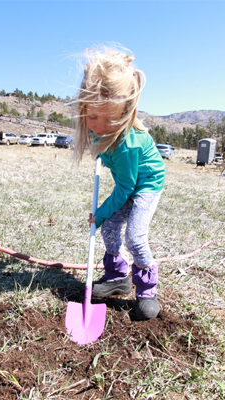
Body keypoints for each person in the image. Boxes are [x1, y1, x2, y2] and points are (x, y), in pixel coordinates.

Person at [74, 48, 166, 320]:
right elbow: (101, 141)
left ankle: (147, 291)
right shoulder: (97, 128)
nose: (99, 126)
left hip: (146, 184)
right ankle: (117, 278)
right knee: (112, 227)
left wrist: (100, 214)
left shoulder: (127, 144)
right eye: (92, 117)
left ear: (125, 111)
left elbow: (126, 188)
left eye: (110, 119)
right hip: (129, 180)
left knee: (135, 236)